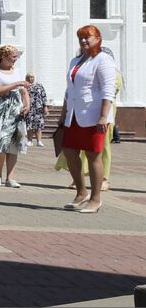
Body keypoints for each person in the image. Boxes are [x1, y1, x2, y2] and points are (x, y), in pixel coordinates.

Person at [58, 26, 118, 213]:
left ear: (98, 38)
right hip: (74, 115)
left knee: (93, 155)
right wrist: (63, 114)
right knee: (68, 151)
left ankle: (96, 198)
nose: (84, 41)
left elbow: (109, 89)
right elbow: (70, 90)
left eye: (87, 37)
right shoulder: (76, 61)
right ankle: (81, 191)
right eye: (80, 38)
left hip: (94, 116)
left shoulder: (103, 59)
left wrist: (103, 116)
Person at [0, 44, 30, 188]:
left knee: (14, 143)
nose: (15, 59)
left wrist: (27, 105)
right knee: (0, 140)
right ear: (4, 56)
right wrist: (16, 83)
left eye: (16, 56)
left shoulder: (18, 71)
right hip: (0, 110)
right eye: (13, 56)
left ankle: (10, 178)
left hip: (16, 110)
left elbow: (24, 92)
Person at [25, 72, 48, 147]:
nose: (30, 78)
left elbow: (44, 96)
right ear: (26, 78)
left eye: (32, 77)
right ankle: (29, 140)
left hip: (38, 108)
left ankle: (39, 141)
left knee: (39, 125)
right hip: (29, 108)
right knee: (29, 125)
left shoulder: (39, 86)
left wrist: (45, 106)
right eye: (29, 77)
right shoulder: (25, 86)